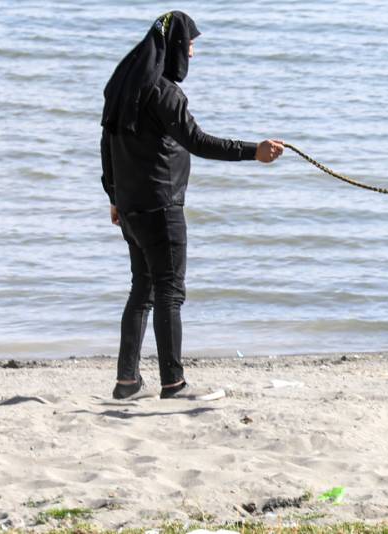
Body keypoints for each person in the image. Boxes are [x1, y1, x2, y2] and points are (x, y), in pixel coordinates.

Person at [100, 11, 283, 400]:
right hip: (160, 205)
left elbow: (106, 143)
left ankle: (127, 383)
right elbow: (198, 142)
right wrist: (255, 152)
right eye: (191, 45)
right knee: (169, 291)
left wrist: (114, 196)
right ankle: (174, 383)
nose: (193, 54)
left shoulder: (123, 85)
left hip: (131, 207)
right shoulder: (163, 93)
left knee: (142, 290)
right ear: (175, 47)